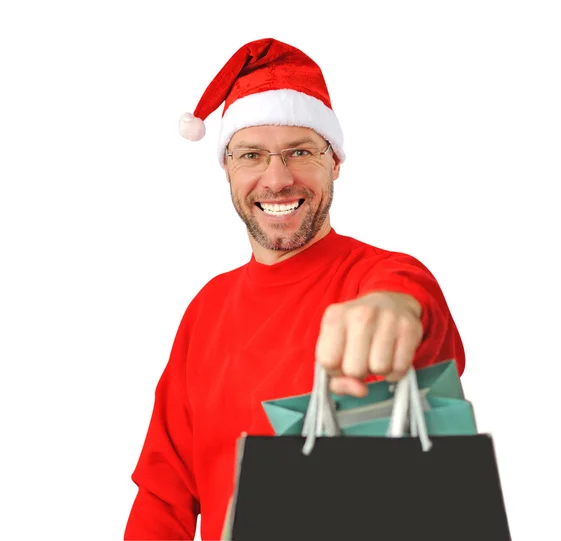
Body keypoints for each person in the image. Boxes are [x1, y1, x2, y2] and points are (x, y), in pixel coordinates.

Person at [124, 37, 465, 540]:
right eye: (251, 155)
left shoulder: (382, 278)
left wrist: (394, 309)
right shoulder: (206, 309)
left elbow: (416, 311)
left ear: (336, 163)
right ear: (227, 169)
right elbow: (165, 492)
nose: (277, 178)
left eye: (300, 151)